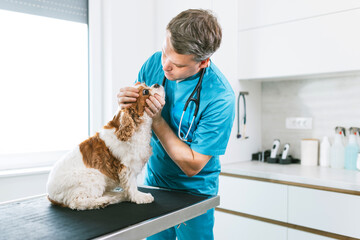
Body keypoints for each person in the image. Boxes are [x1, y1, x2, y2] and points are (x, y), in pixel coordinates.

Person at [117, 9, 235, 240]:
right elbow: (134, 121)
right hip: (155, 184)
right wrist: (126, 105)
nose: (165, 66)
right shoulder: (154, 63)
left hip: (195, 194)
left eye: (178, 64)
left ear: (203, 62)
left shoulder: (220, 97)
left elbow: (192, 165)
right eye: (164, 53)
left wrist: (158, 120)